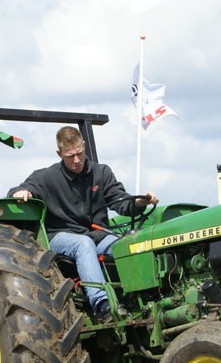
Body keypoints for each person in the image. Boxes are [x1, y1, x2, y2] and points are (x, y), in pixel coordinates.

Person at [9, 126, 158, 322]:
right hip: (60, 236)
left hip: (97, 235)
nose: (77, 160)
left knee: (126, 245)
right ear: (59, 154)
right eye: (70, 156)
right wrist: (21, 192)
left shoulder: (101, 173)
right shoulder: (47, 177)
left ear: (84, 146)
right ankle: (102, 305)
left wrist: (139, 202)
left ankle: (143, 298)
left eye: (79, 153)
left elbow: (120, 201)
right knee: (83, 244)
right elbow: (20, 189)